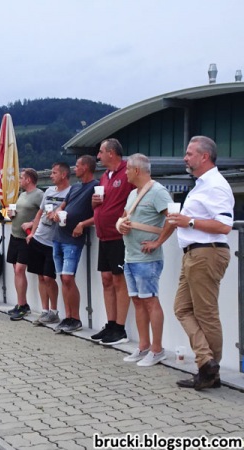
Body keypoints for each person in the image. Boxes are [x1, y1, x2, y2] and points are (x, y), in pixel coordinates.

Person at [170, 136, 234, 390]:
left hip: (207, 253)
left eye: (189, 154)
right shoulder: (202, 184)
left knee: (206, 314)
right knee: (182, 308)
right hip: (194, 254)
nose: (185, 158)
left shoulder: (215, 185)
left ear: (204, 157)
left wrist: (190, 222)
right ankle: (207, 363)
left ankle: (209, 372)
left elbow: (225, 225)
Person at [117, 154, 175, 367]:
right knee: (138, 301)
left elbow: (173, 217)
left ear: (137, 171)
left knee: (150, 301)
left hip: (147, 258)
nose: (126, 173)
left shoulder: (158, 191)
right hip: (131, 256)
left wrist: (158, 242)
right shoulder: (133, 193)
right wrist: (120, 225)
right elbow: (124, 217)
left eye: (128, 170)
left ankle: (157, 349)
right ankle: (144, 346)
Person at [91, 138, 135, 346]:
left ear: (111, 153)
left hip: (119, 236)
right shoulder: (104, 177)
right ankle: (110, 323)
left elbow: (138, 196)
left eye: (100, 152)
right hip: (103, 235)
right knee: (106, 279)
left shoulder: (128, 172)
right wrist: (94, 203)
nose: (98, 156)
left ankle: (120, 328)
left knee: (119, 280)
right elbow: (100, 204)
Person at [52, 155, 98, 333]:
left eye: (77, 165)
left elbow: (98, 214)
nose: (75, 169)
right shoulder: (74, 188)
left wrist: (82, 224)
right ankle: (68, 316)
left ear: (86, 167)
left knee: (68, 278)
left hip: (73, 239)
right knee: (63, 278)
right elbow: (62, 206)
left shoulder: (95, 187)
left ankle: (76, 318)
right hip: (59, 236)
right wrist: (57, 212)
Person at [27, 162, 71, 326]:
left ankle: (54, 311)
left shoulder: (70, 192)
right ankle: (44, 311)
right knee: (40, 276)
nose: (51, 176)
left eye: (54, 173)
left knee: (49, 277)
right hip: (39, 238)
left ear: (63, 175)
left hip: (55, 241)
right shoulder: (49, 191)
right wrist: (32, 232)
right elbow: (39, 213)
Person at [6, 168, 44, 321]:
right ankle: (21, 303)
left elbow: (45, 214)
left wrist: (31, 223)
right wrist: (11, 214)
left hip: (26, 237)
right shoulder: (22, 195)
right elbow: (18, 211)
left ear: (28, 179)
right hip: (15, 235)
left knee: (20, 269)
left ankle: (23, 306)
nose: (19, 180)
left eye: (21, 177)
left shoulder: (39, 195)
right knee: (16, 269)